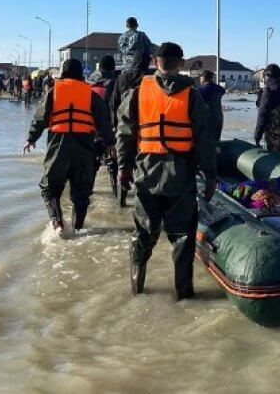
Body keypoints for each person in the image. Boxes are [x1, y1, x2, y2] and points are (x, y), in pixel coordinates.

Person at [116, 42, 217, 298]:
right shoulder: (193, 96)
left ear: (154, 61)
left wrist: (123, 169)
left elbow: (125, 134)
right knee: (182, 236)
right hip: (180, 175)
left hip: (145, 173)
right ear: (181, 64)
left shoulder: (137, 93)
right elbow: (205, 140)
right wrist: (211, 175)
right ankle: (184, 295)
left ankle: (136, 289)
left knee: (142, 233)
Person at [22, 58, 113, 233]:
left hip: (59, 146)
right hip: (84, 147)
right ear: (81, 73)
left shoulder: (53, 92)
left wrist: (31, 139)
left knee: (50, 188)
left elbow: (40, 118)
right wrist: (110, 143)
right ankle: (78, 228)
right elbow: (103, 121)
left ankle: (58, 224)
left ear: (63, 72)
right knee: (81, 193)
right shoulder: (90, 94)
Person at [89, 55, 122, 194]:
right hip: (110, 127)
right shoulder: (115, 82)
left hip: (90, 128)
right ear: (113, 67)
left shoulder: (89, 82)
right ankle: (116, 191)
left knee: (92, 164)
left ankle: (88, 189)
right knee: (113, 160)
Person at [196, 70, 225, 147]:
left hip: (206, 119)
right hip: (218, 117)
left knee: (205, 143)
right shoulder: (219, 89)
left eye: (200, 77)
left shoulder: (200, 90)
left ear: (204, 78)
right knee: (216, 141)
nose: (199, 79)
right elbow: (223, 91)